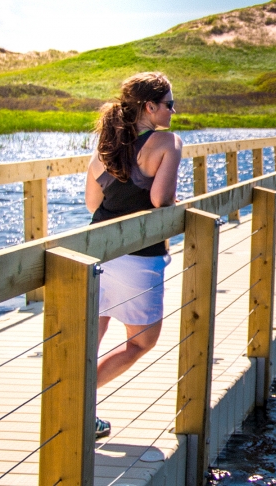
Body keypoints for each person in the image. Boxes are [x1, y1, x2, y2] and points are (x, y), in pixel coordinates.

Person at [85, 72, 183, 439]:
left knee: (95, 332)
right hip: (139, 256)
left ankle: (80, 410)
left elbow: (93, 204)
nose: (174, 111)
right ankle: (79, 402)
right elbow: (161, 200)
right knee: (142, 341)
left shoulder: (106, 147)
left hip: (98, 252)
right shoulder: (167, 141)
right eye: (170, 104)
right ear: (150, 107)